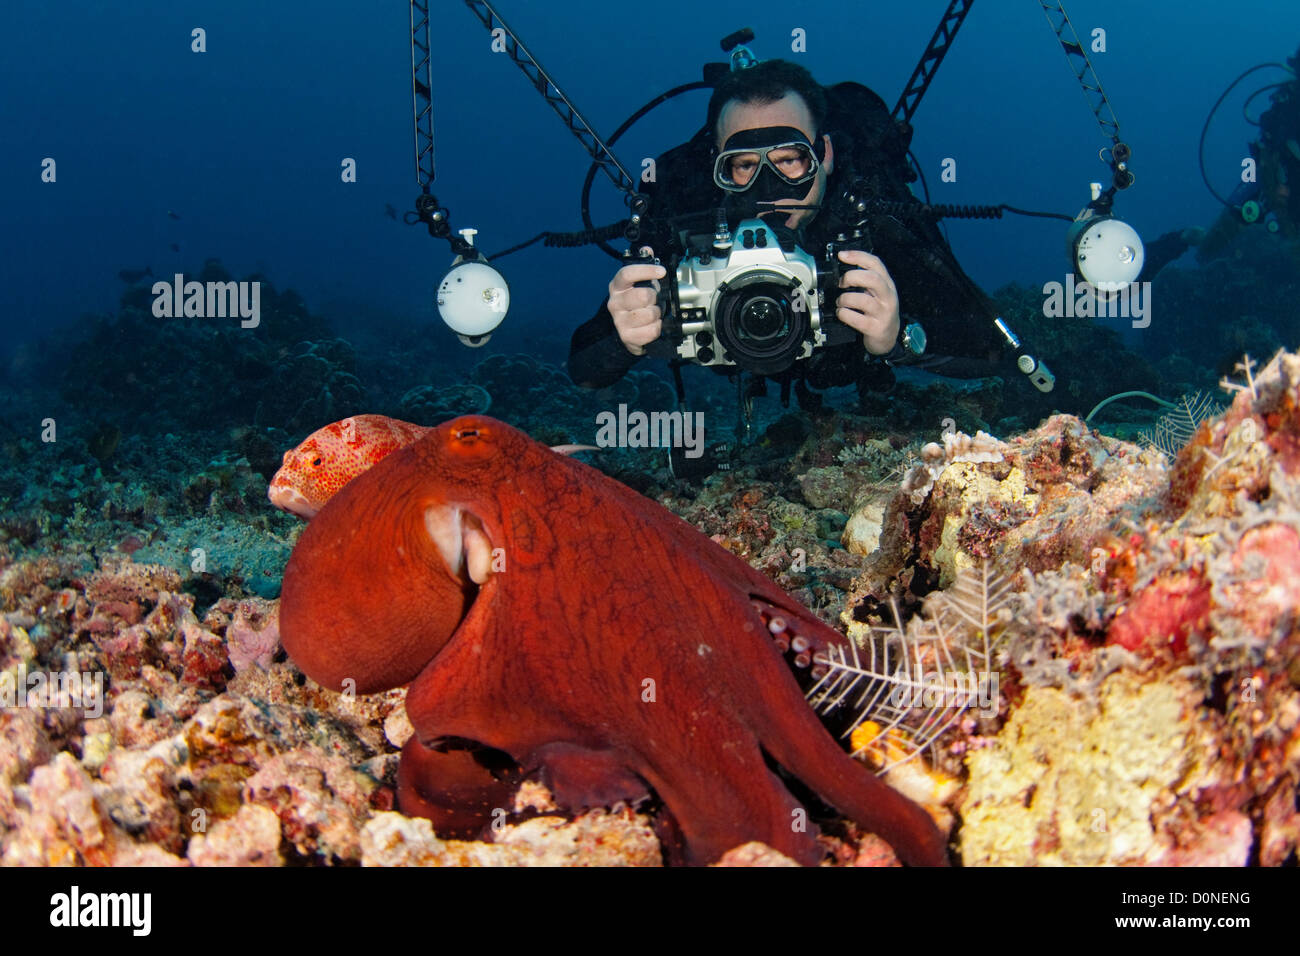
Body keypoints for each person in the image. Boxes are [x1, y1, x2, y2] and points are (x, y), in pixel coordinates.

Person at [567, 60, 1009, 406]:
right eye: (743, 165)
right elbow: (584, 369)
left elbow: (993, 349)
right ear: (717, 168)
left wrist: (900, 339)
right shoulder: (686, 221)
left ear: (826, 155)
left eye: (790, 160)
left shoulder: (863, 218)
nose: (770, 192)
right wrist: (625, 339)